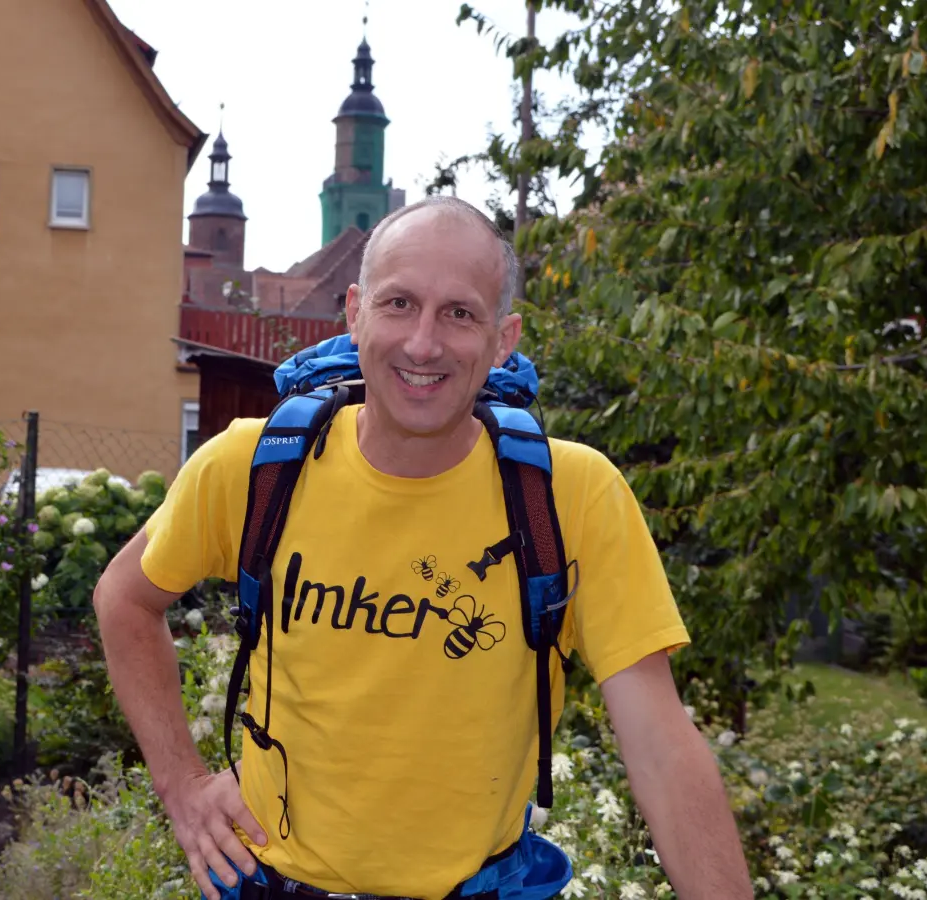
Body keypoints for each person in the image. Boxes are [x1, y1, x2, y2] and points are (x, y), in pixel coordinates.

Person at [92, 196, 752, 900]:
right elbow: (125, 598)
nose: (424, 344)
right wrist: (183, 786)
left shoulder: (571, 494)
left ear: (504, 341)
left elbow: (661, 746)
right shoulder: (254, 466)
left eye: (460, 314)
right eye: (400, 303)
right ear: (355, 312)